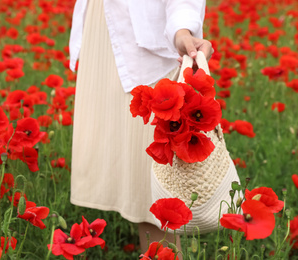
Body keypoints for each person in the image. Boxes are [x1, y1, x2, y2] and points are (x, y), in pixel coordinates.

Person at [69, 0, 213, 255]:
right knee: (137, 187)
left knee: (155, 192)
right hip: (104, 27)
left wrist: (182, 29)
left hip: (151, 40)